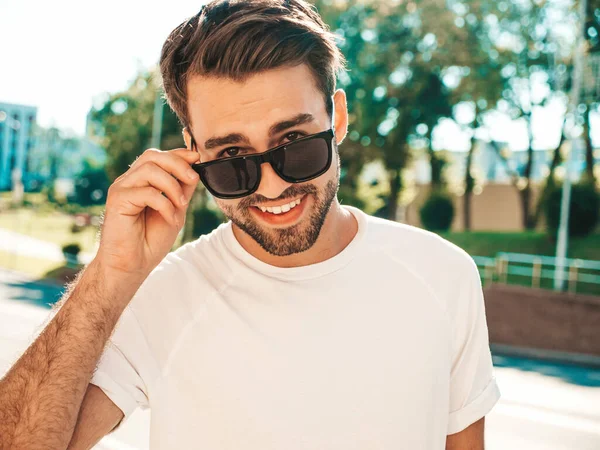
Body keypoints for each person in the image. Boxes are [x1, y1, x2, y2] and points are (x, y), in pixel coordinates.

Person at [0, 1, 500, 449]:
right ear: (193, 153)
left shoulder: (441, 276)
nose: (270, 186)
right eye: (231, 158)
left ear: (338, 117)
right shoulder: (164, 297)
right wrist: (109, 275)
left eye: (296, 143)